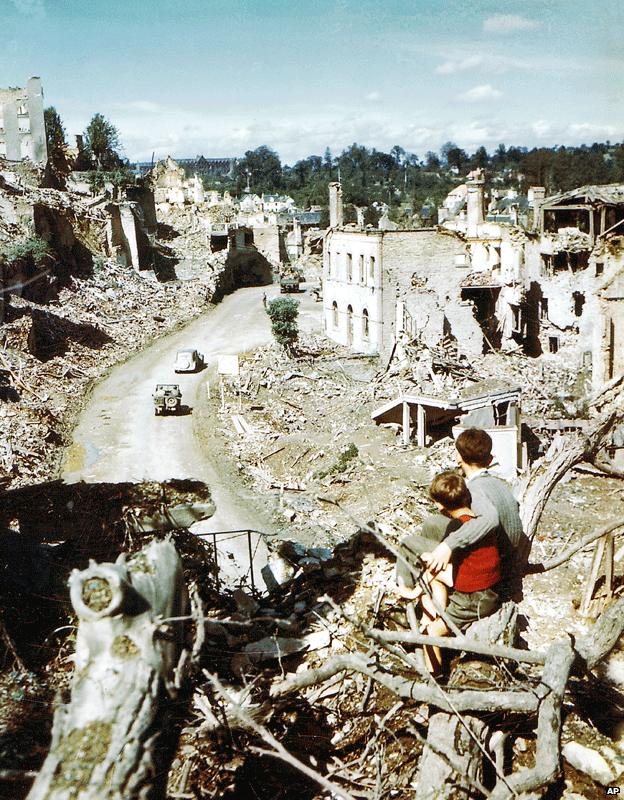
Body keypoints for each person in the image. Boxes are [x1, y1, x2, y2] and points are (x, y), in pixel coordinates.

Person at [423, 428, 525, 601]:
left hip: (495, 570)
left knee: (432, 525)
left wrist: (448, 545)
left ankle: (431, 583)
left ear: (458, 457)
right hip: (510, 556)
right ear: (490, 459)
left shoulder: (474, 491)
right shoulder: (498, 484)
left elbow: (490, 519)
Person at [421, 471, 501, 673]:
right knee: (436, 578)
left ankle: (435, 678)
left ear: (440, 505)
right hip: (485, 586)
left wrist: (413, 589)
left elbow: (436, 568)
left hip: (475, 599)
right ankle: (439, 614)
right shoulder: (476, 524)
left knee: (430, 634)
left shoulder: (457, 531)